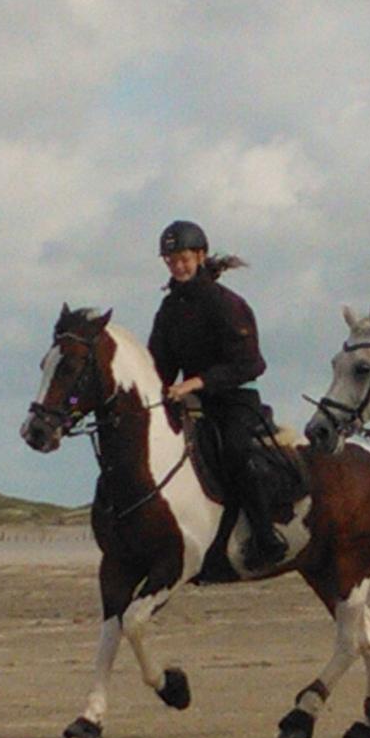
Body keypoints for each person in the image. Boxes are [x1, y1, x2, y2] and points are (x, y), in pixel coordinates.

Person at [148, 220, 288, 570]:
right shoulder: (168, 310)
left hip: (237, 399)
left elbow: (251, 364)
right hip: (195, 404)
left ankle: (265, 536)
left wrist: (196, 383)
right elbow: (159, 365)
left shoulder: (227, 304)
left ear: (199, 256)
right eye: (170, 260)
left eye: (182, 259)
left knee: (236, 450)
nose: (177, 266)